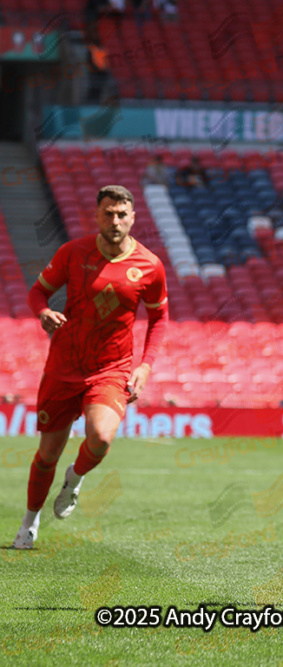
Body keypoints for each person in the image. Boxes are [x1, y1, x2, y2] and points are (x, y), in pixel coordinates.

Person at [12, 185, 169, 549]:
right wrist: (44, 312)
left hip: (111, 369)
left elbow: (160, 318)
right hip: (63, 367)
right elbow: (37, 292)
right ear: (97, 216)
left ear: (133, 218)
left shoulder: (149, 265)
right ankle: (29, 522)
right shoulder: (72, 252)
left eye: (121, 214)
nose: (115, 221)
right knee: (47, 454)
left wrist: (145, 367)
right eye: (108, 213)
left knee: (100, 438)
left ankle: (76, 476)